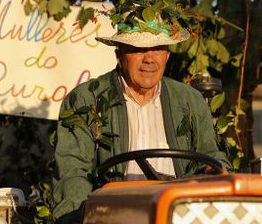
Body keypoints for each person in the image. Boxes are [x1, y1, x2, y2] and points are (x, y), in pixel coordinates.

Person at [52, 24, 232, 223]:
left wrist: (217, 169)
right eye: (138, 49)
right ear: (119, 56)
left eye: (157, 49)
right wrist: (79, 217)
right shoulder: (86, 99)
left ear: (167, 56)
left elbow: (211, 154)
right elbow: (73, 171)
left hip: (178, 213)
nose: (149, 58)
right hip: (115, 214)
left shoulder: (190, 99)